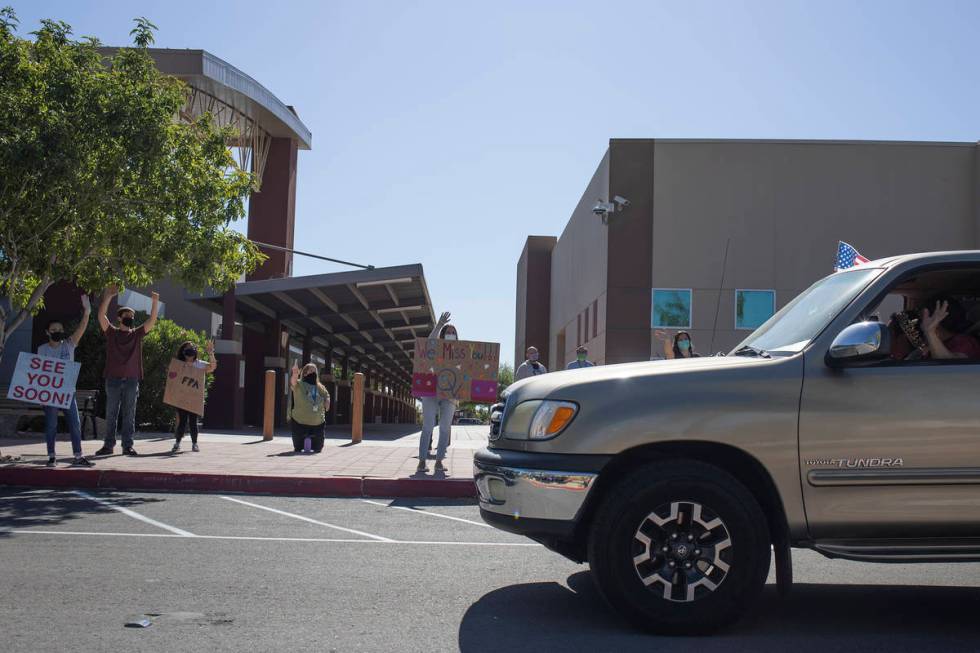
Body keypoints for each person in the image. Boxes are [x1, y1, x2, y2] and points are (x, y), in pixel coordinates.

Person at [94, 287, 159, 457]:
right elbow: (101, 316)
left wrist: (154, 303)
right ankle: (108, 446)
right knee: (111, 413)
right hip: (113, 380)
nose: (130, 318)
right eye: (126, 316)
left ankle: (127, 446)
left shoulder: (137, 334)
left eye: (132, 316)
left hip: (131, 380)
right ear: (119, 318)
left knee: (129, 414)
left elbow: (152, 320)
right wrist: (107, 296)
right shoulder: (111, 333)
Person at [37, 295, 94, 468]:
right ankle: (51, 457)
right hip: (50, 393)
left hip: (67, 392)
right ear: (47, 332)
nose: (58, 331)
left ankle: (78, 456)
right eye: (54, 329)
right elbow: (38, 373)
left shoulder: (69, 345)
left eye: (60, 329)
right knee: (51, 425)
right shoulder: (42, 349)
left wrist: (87, 311)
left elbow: (81, 329)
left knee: (75, 424)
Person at [418, 311, 458, 474]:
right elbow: (428, 342)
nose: (451, 335)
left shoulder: (461, 352)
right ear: (442, 335)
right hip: (430, 392)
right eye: (448, 332)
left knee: (444, 428)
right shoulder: (435, 348)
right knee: (427, 426)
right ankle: (422, 461)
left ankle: (439, 461)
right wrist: (439, 325)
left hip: (450, 395)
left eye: (453, 333)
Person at [171, 340, 217, 454]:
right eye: (187, 350)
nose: (190, 352)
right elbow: (172, 376)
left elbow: (212, 367)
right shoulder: (179, 364)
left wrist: (211, 353)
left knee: (193, 422)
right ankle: (177, 443)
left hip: (194, 398)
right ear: (183, 352)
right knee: (182, 422)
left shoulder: (199, 364)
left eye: (192, 349)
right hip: (181, 398)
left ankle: (194, 443)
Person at [289, 362, 330, 453]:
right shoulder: (299, 384)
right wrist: (295, 373)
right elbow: (293, 381)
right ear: (304, 373)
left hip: (317, 421)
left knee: (318, 448)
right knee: (298, 448)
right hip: (299, 420)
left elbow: (326, 395)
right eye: (310, 371)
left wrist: (327, 402)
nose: (312, 373)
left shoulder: (320, 387)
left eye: (314, 371)